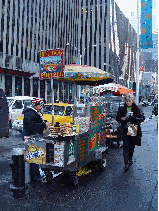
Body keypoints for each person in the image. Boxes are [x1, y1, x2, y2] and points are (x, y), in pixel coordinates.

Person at [22, 97, 50, 181]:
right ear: (35, 105)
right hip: (31, 137)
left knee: (34, 156)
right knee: (35, 157)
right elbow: (31, 126)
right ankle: (35, 176)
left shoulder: (34, 112)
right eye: (40, 105)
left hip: (34, 137)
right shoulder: (30, 113)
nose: (41, 107)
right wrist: (44, 125)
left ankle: (35, 174)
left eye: (42, 105)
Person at [116, 93, 145, 171]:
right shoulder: (122, 108)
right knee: (126, 146)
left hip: (133, 128)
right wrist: (122, 118)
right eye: (127, 101)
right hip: (125, 129)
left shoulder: (137, 108)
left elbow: (142, 118)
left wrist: (134, 118)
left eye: (129, 101)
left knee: (131, 146)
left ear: (132, 101)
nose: (128, 102)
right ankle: (126, 163)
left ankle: (130, 159)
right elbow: (117, 118)